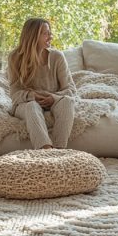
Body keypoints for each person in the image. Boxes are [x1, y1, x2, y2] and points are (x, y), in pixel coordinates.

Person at [7, 18, 76, 149]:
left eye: (50, 33)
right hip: (26, 104)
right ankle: (45, 150)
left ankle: (60, 150)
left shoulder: (57, 57)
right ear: (33, 36)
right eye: (46, 33)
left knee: (68, 102)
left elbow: (70, 89)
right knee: (32, 106)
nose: (51, 36)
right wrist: (32, 96)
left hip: (53, 101)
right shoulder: (15, 58)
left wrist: (53, 98)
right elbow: (14, 94)